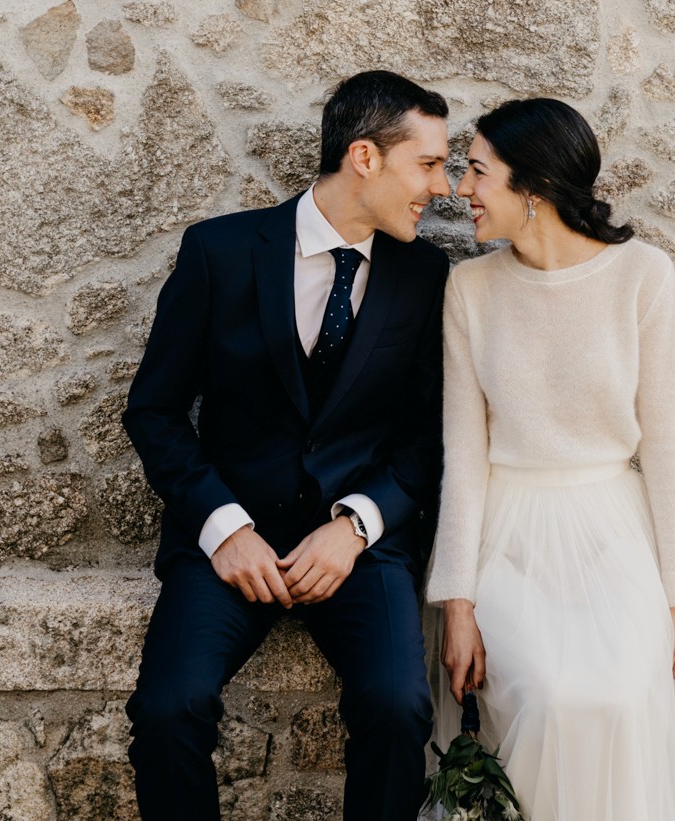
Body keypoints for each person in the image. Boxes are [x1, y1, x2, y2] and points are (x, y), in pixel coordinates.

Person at [123, 70, 454, 821]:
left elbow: (429, 435)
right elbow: (155, 410)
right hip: (228, 537)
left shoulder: (425, 274)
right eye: (428, 163)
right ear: (365, 156)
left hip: (359, 547)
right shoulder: (220, 251)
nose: (440, 186)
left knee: (398, 706)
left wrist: (357, 526)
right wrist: (223, 527)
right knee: (168, 709)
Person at [429, 97, 675, 821]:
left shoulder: (643, 275)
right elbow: (463, 454)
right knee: (551, 696)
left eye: (478, 171)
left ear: (533, 188)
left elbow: (663, 446)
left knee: (620, 694)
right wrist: (457, 603)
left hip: (612, 533)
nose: (461, 188)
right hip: (508, 535)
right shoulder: (470, 289)